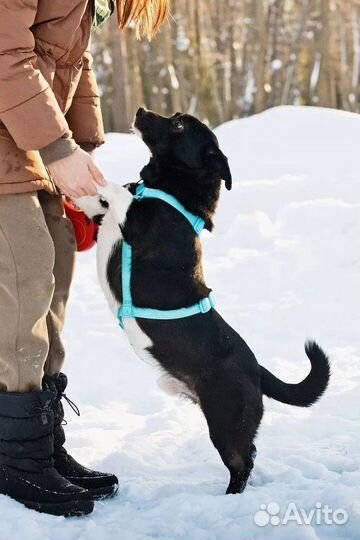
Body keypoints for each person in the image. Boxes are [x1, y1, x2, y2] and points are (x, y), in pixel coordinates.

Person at [0, 0, 169, 517]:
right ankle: (13, 456)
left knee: (55, 271)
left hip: (24, 137)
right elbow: (5, 49)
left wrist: (83, 150)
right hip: (17, 137)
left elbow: (73, 62)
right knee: (23, 275)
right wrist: (57, 148)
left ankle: (36, 440)